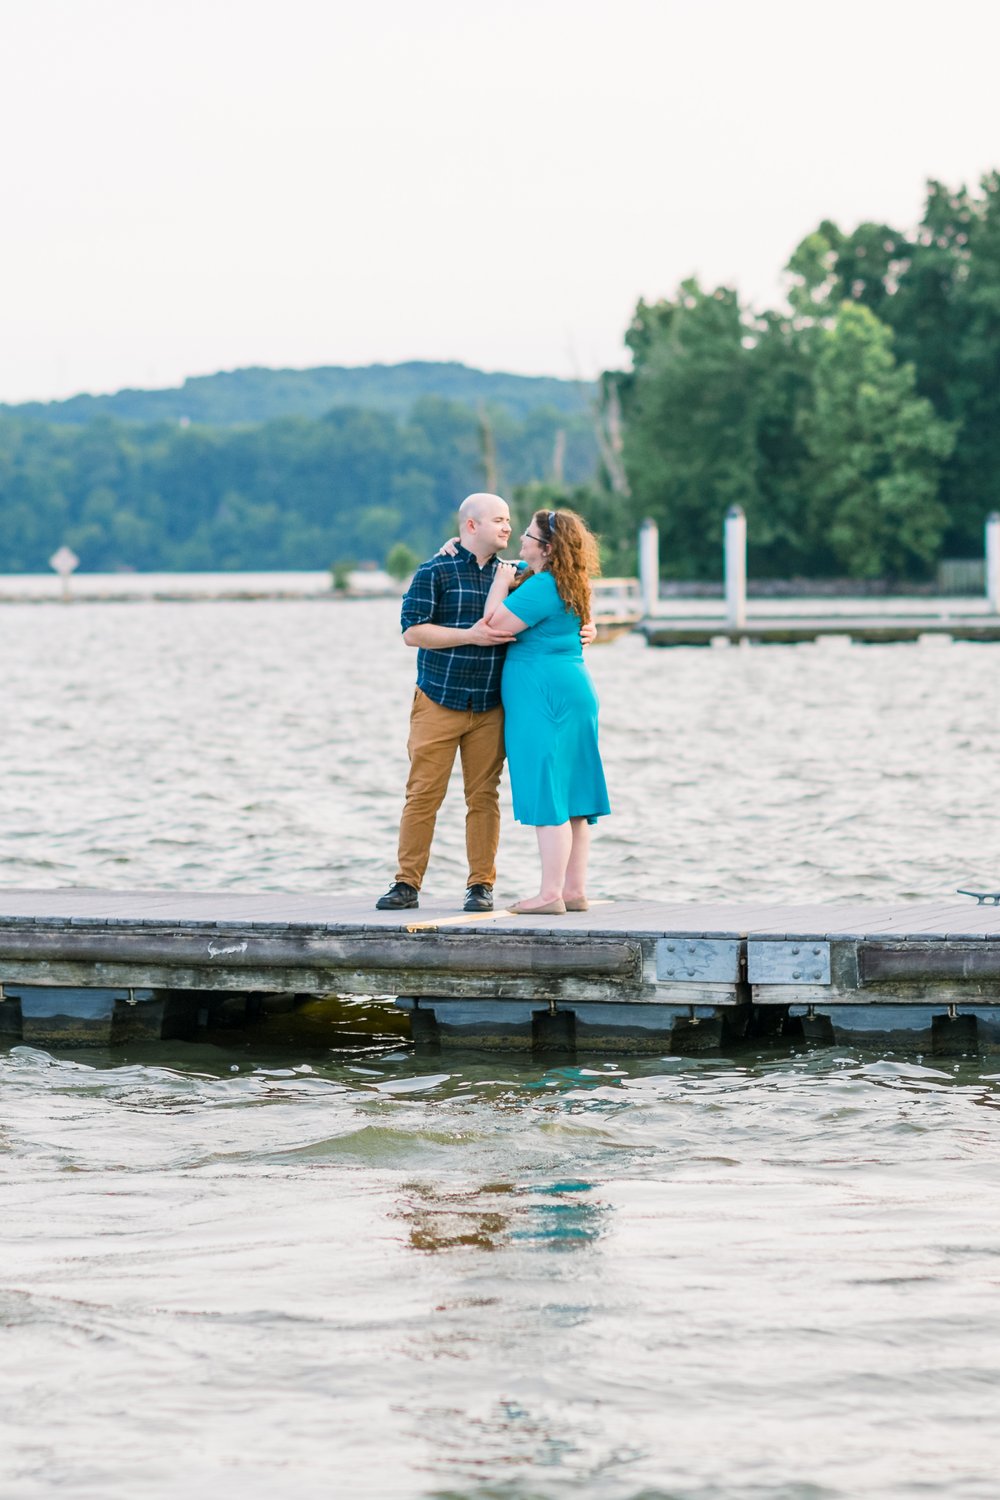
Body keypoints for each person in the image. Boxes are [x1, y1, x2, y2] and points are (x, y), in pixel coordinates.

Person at [375, 493, 515, 913]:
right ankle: (406, 884)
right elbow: (412, 632)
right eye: (498, 520)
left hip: (489, 705)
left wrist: (590, 624)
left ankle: (480, 886)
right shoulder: (434, 570)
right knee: (422, 795)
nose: (508, 527)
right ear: (471, 526)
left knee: (484, 796)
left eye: (509, 520)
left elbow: (566, 584)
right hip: (438, 700)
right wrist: (469, 635)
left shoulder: (515, 575)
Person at [482, 508, 610, 915]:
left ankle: (549, 894)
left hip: (544, 696)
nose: (520, 541)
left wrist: (501, 584)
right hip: (572, 689)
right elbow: (525, 565)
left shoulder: (540, 588)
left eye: (528, 536)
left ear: (548, 547)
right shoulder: (573, 581)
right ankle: (573, 891)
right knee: (572, 795)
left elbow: (492, 624)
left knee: (548, 791)